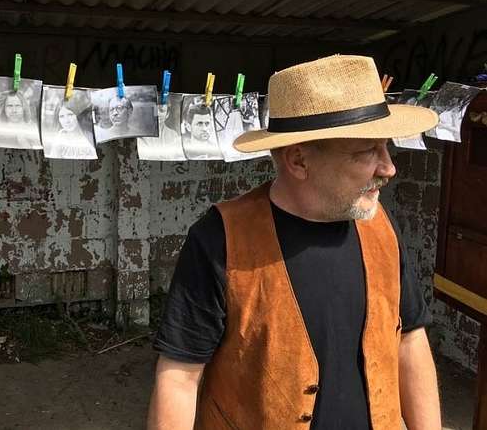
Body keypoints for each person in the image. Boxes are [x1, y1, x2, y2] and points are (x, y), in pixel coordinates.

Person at [148, 55, 442, 430]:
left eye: (385, 147)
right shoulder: (222, 239)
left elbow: (410, 340)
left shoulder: (379, 226)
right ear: (299, 160)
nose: (389, 168)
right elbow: (179, 377)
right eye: (367, 151)